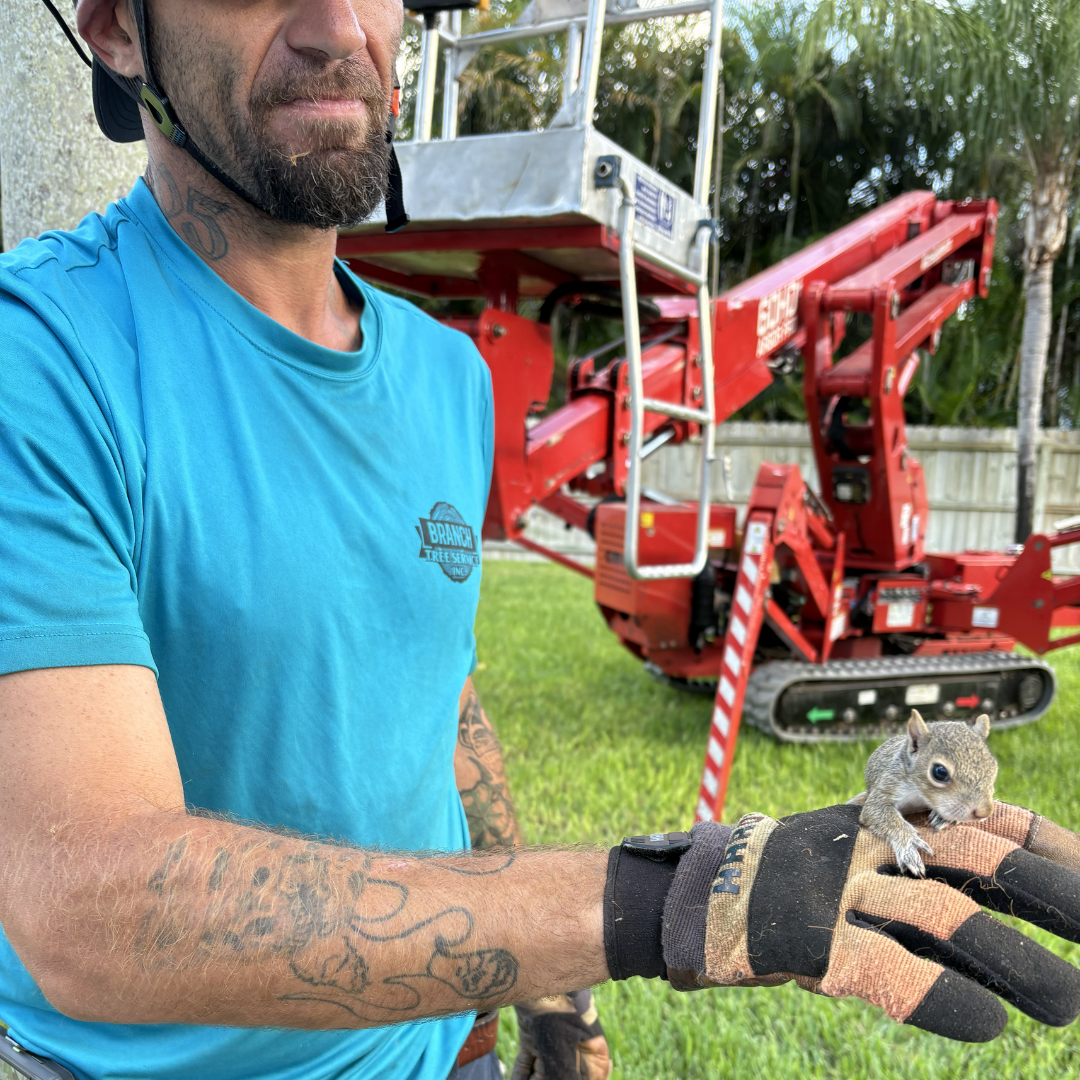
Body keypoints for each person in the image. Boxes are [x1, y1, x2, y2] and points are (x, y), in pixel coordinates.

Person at [1, 2, 1080, 1079]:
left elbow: (441, 707)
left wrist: (551, 997)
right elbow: (85, 903)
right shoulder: (42, 358)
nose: (336, 26)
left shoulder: (446, 378)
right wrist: (661, 898)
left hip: (442, 1052)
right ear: (115, 31)